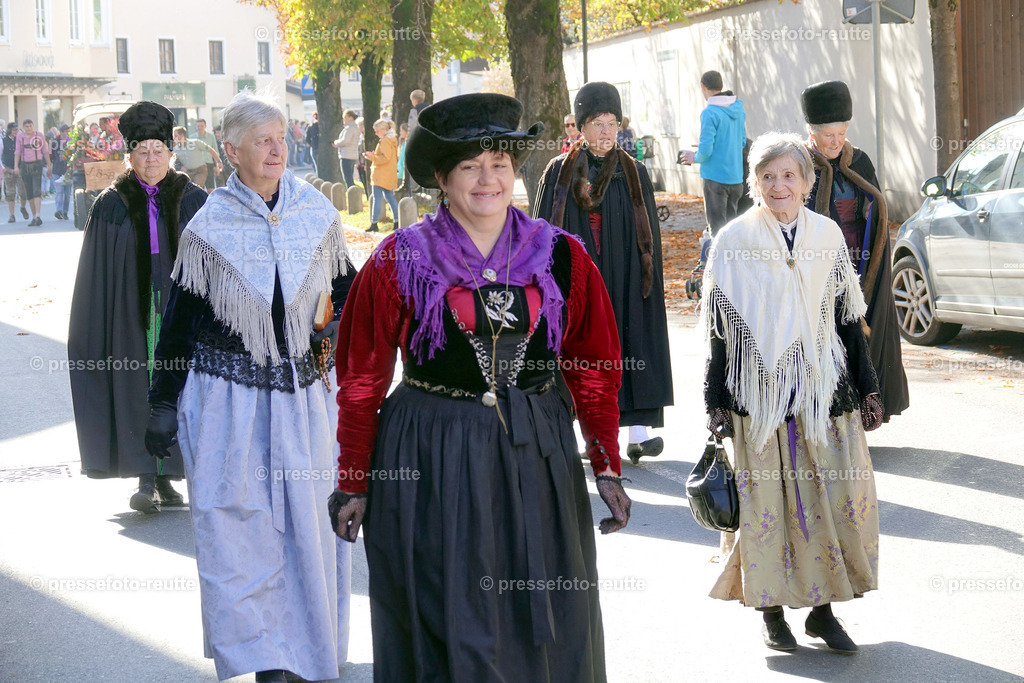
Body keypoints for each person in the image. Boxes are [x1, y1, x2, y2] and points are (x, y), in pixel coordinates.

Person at [330, 91, 629, 681]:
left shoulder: (564, 257)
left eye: (499, 163)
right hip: (431, 455)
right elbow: (361, 380)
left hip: (536, 455)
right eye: (469, 165)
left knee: (541, 609)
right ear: (442, 177)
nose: (487, 178)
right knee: (449, 610)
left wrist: (606, 464)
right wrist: (353, 482)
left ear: (516, 170)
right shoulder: (397, 261)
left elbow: (594, 369)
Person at [144, 91, 354, 682]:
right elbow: (180, 323)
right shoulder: (209, 226)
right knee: (240, 533)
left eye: (281, 137)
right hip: (230, 406)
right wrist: (162, 402)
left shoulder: (317, 211)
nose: (276, 148)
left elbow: (352, 293)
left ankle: (306, 650)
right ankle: (265, 659)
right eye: (262, 140)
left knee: (310, 528)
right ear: (231, 151)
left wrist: (339, 322)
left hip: (306, 397)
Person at [702, 132, 882, 654]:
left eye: (789, 175)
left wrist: (868, 388)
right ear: (754, 184)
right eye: (768, 176)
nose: (779, 185)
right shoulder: (733, 242)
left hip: (822, 393)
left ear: (807, 181)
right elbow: (721, 332)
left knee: (826, 502)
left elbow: (848, 318)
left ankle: (823, 614)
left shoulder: (826, 236)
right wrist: (714, 401)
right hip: (757, 401)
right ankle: (773, 613)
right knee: (769, 511)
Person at [68, 101, 207, 512]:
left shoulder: (195, 200)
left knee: (182, 389)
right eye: (142, 150)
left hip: (182, 312)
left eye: (158, 150)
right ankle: (146, 477)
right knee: (138, 388)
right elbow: (96, 273)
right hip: (132, 312)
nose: (151, 157)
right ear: (129, 156)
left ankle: (169, 475)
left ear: (171, 152)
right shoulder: (111, 204)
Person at [535, 81, 673, 464]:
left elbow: (650, 237)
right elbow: (542, 230)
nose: (607, 131)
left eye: (613, 122)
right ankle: (590, 433)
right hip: (578, 280)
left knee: (631, 343)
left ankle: (639, 433)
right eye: (598, 122)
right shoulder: (559, 172)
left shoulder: (633, 172)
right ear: (581, 127)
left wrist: (648, 277)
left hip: (625, 273)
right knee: (582, 352)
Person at [802, 80, 909, 422]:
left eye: (842, 133)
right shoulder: (799, 164)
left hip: (862, 265)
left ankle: (865, 411)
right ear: (811, 131)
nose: (836, 142)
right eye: (828, 135)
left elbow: (877, 208)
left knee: (864, 335)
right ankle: (832, 416)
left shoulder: (859, 161)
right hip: (820, 271)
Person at [679, 70, 747, 236]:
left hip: (715, 179)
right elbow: (742, 142)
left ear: (703, 87)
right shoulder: (738, 111)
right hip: (736, 178)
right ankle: (733, 261)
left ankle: (718, 262)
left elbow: (706, 150)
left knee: (717, 231)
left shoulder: (709, 113)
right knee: (732, 231)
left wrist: (694, 157)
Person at [14, 119, 52, 226]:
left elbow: (45, 150)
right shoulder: (20, 137)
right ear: (23, 127)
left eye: (30, 126)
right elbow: (17, 152)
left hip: (37, 164)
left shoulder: (39, 135)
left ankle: (38, 215)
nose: (28, 128)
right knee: (29, 192)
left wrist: (49, 166)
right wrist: (16, 166)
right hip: (24, 165)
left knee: (36, 190)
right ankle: (34, 216)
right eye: (26, 126)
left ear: (33, 126)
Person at [363, 119, 399, 233]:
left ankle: (374, 223)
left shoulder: (385, 141)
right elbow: (388, 157)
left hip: (380, 173)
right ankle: (397, 220)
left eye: (377, 131)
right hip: (387, 173)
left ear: (383, 130)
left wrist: (372, 157)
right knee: (389, 197)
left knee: (377, 197)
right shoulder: (390, 140)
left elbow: (386, 158)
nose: (375, 133)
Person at [2, 122, 29, 223]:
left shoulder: (21, 140)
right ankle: (12, 215)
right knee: (10, 193)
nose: (15, 132)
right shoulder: (3, 141)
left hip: (21, 168)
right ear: (9, 130)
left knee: (23, 192)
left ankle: (23, 207)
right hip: (8, 169)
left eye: (17, 130)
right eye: (14, 130)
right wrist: (3, 167)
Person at [332, 110, 360, 187]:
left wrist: (336, 143)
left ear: (350, 118)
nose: (343, 120)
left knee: (347, 178)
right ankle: (352, 192)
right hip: (352, 154)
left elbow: (345, 140)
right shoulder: (355, 127)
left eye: (345, 118)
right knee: (349, 176)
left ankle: (352, 193)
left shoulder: (349, 128)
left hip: (346, 154)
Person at [51, 124, 71, 220]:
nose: (67, 133)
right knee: (59, 192)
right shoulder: (55, 142)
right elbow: (51, 155)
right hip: (57, 170)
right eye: (66, 131)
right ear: (62, 132)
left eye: (68, 131)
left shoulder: (71, 142)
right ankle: (59, 211)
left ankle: (65, 212)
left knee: (67, 193)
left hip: (68, 171)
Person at [196, 118, 219, 192]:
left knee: (210, 188)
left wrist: (217, 166)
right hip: (197, 166)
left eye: (201, 126)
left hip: (209, 165)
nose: (200, 128)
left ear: (205, 126)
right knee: (199, 189)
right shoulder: (192, 137)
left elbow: (215, 151)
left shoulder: (211, 136)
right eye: (198, 126)